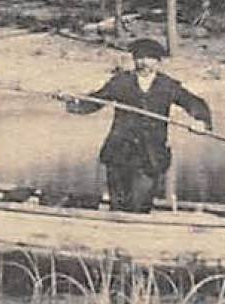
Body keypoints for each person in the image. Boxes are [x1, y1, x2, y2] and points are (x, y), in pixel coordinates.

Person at [65, 38, 212, 213]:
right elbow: (96, 101)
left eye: (149, 58)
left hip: (150, 156)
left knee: (140, 204)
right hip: (119, 153)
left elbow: (194, 103)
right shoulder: (121, 82)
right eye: (139, 58)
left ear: (158, 62)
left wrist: (200, 121)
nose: (143, 63)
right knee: (118, 205)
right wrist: (73, 101)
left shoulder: (167, 85)